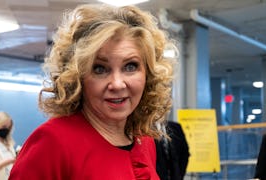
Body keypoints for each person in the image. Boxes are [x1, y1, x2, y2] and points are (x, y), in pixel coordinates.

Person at [9, 3, 175, 180]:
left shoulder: (143, 140)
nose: (117, 84)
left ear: (147, 74)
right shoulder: (53, 143)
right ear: (78, 77)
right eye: (100, 69)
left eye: (130, 66)